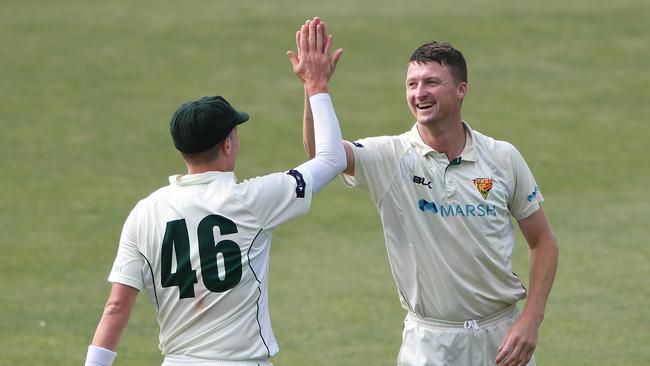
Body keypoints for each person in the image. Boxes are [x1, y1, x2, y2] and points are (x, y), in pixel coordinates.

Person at [85, 18, 344, 366]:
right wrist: (316, 85)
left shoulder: (145, 212)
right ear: (227, 144)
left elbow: (116, 307)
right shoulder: (251, 201)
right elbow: (331, 158)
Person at [302, 39, 558, 366]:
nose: (419, 92)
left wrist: (531, 319)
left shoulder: (502, 158)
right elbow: (321, 156)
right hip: (430, 345)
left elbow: (543, 241)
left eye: (431, 82)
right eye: (412, 84)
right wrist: (314, 87)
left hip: (503, 339)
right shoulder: (390, 157)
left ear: (461, 89)